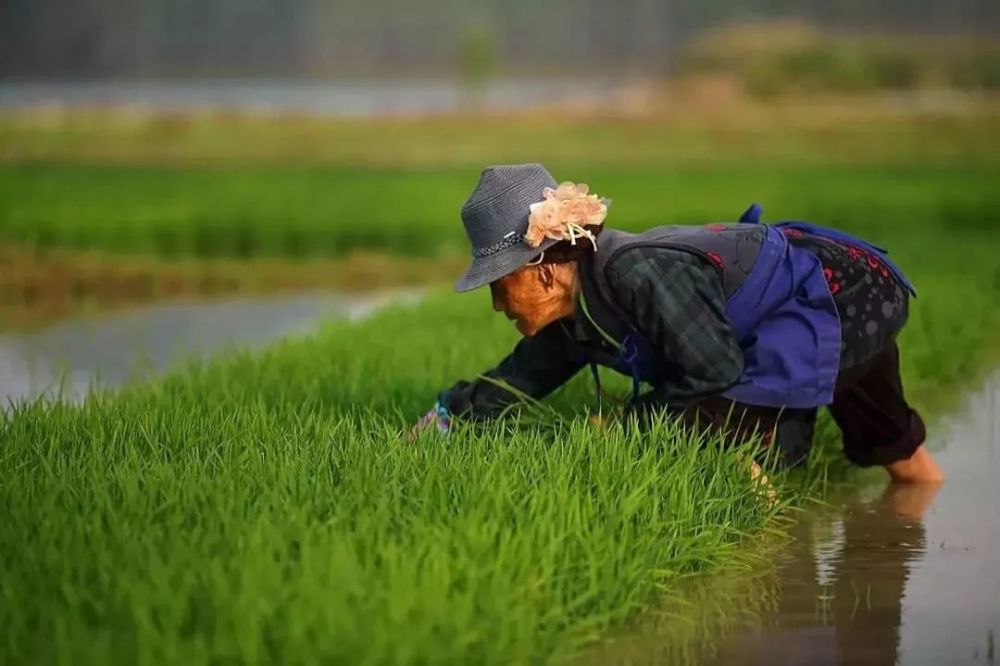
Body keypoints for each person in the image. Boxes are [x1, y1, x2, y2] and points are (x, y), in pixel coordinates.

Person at [411, 163, 943, 483]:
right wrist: (446, 419)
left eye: (499, 284)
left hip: (841, 297)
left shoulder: (634, 274)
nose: (498, 305)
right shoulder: (578, 311)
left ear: (545, 271)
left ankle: (774, 587)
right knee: (894, 445)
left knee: (727, 436)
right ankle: (907, 519)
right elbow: (520, 379)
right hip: (834, 291)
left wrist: (625, 425)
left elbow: (713, 368)